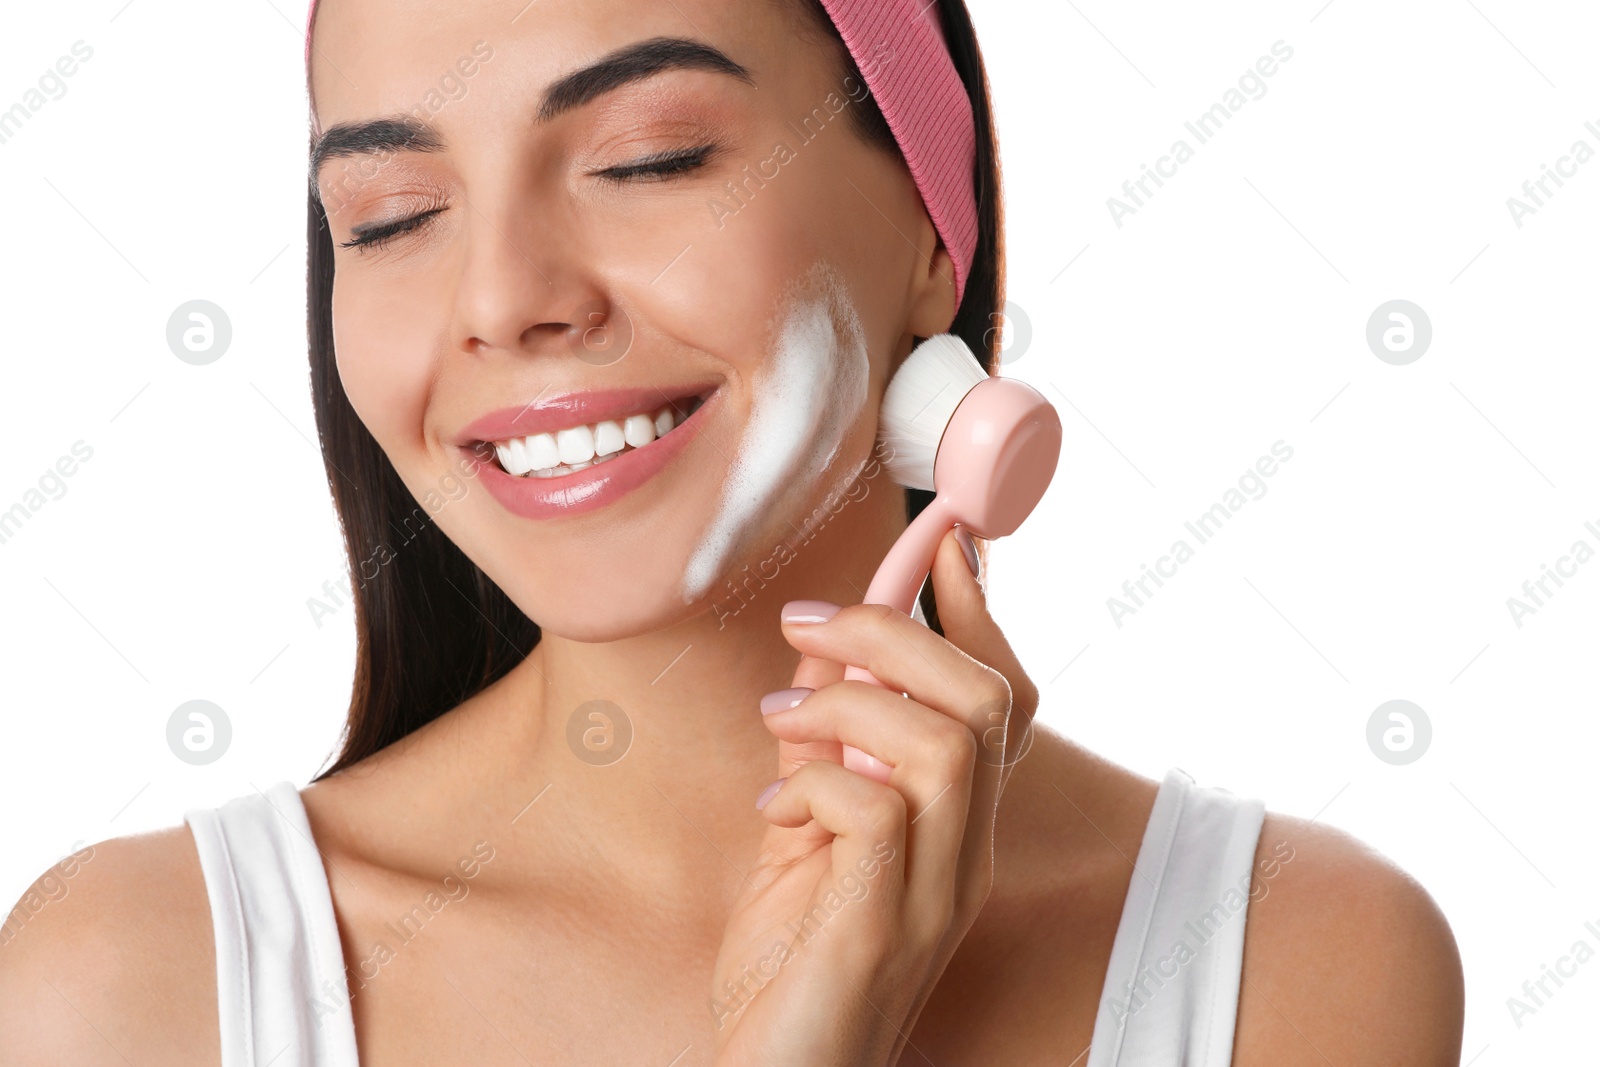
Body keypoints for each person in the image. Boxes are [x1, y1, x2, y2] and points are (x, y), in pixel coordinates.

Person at [0, 0, 1464, 1063]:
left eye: (646, 159)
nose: (503, 295)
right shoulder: (131, 984)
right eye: (388, 216)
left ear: (929, 234)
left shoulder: (1298, 964)